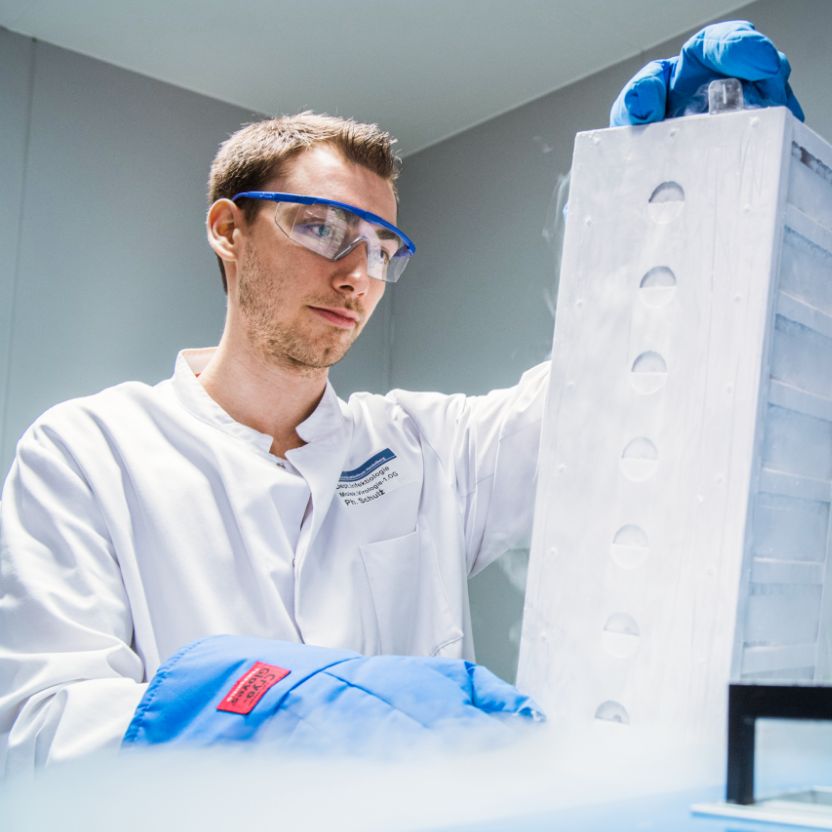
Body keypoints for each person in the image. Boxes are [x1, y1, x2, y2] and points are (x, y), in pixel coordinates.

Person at [0, 21, 802, 775]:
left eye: (383, 249)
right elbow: (44, 727)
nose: (356, 274)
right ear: (227, 229)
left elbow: (611, 399)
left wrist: (681, 216)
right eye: (320, 228)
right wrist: (267, 712)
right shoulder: (87, 451)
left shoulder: (428, 447)